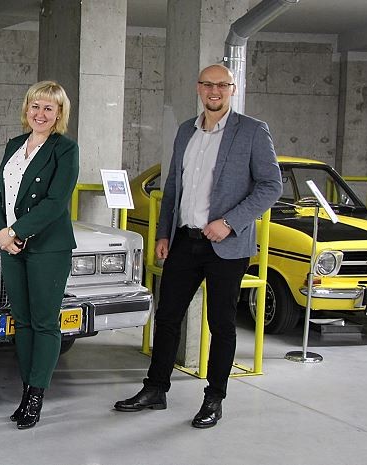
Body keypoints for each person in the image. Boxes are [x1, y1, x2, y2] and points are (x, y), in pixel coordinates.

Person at [113, 64, 282, 428]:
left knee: (221, 324)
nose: (214, 90)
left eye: (222, 85)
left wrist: (229, 222)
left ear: (232, 89)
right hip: (184, 241)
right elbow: (173, 185)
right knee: (167, 317)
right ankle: (155, 389)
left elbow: (271, 186)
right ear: (198, 88)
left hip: (227, 245)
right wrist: (163, 233)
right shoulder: (186, 130)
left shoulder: (252, 131)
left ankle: (214, 398)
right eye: (207, 84)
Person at [0, 81, 79, 429]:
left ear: (59, 113)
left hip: (47, 248)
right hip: (11, 246)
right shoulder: (14, 145)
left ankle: (36, 396)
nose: (40, 114)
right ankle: (26, 388)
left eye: (48, 108)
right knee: (23, 321)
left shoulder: (65, 149)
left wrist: (15, 231)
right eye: (35, 106)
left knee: (44, 323)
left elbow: (56, 203)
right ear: (26, 109)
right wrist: (2, 234)